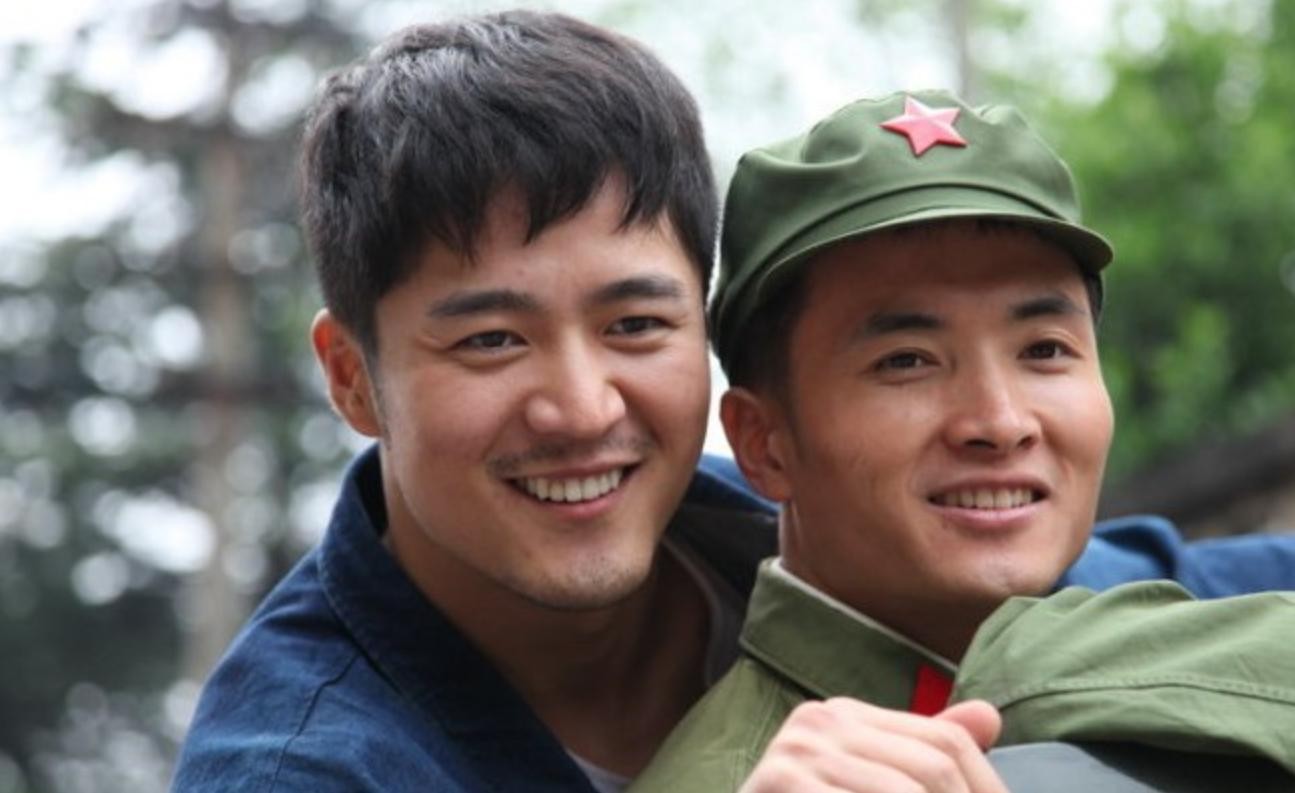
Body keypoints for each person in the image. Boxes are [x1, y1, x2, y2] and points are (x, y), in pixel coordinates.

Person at [170, 11, 1295, 792]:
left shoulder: (826, 537)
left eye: (634, 324)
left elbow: (1141, 583)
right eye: (492, 340)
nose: (579, 407)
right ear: (351, 376)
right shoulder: (299, 764)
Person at [629, 90, 1295, 792]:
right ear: (764, 443)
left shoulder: (1192, 639)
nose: (1001, 422)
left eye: (1044, 349)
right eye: (906, 361)